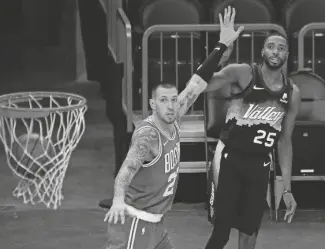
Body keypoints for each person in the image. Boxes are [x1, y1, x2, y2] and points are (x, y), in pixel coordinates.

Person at [103, 6, 243, 249]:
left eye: (173, 99)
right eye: (163, 101)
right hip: (135, 222)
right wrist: (117, 199)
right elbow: (127, 169)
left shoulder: (175, 117)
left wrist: (221, 47)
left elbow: (197, 84)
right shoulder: (148, 135)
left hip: (156, 225)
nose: (170, 105)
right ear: (152, 105)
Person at [204, 31, 300, 249]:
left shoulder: (292, 92)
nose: (276, 51)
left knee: (250, 232)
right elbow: (203, 83)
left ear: (287, 54)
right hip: (229, 158)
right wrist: (221, 55)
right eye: (271, 46)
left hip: (260, 164)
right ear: (262, 51)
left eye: (281, 47)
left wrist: (287, 189)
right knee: (222, 231)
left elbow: (285, 141)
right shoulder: (244, 73)